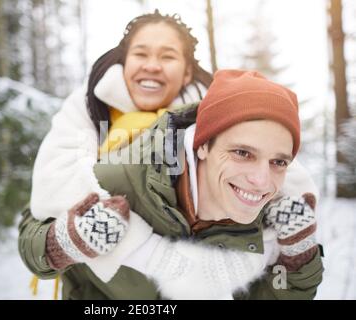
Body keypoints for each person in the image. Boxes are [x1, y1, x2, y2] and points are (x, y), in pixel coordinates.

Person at [19, 11, 321, 299]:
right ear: (123, 64)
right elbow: (49, 190)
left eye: (167, 56)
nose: (152, 65)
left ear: (187, 71)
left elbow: (276, 166)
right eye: (141, 54)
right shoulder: (89, 111)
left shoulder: (215, 119)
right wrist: (66, 240)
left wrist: (295, 241)